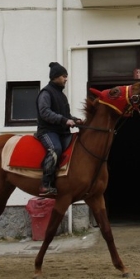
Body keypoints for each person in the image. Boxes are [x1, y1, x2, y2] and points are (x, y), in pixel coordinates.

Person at [35, 61, 79, 198]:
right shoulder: (46, 93)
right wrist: (64, 120)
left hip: (62, 132)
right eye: (63, 76)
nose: (66, 79)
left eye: (66, 76)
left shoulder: (61, 95)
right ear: (55, 77)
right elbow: (45, 112)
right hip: (47, 131)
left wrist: (76, 120)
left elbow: (66, 116)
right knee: (55, 149)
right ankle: (45, 185)